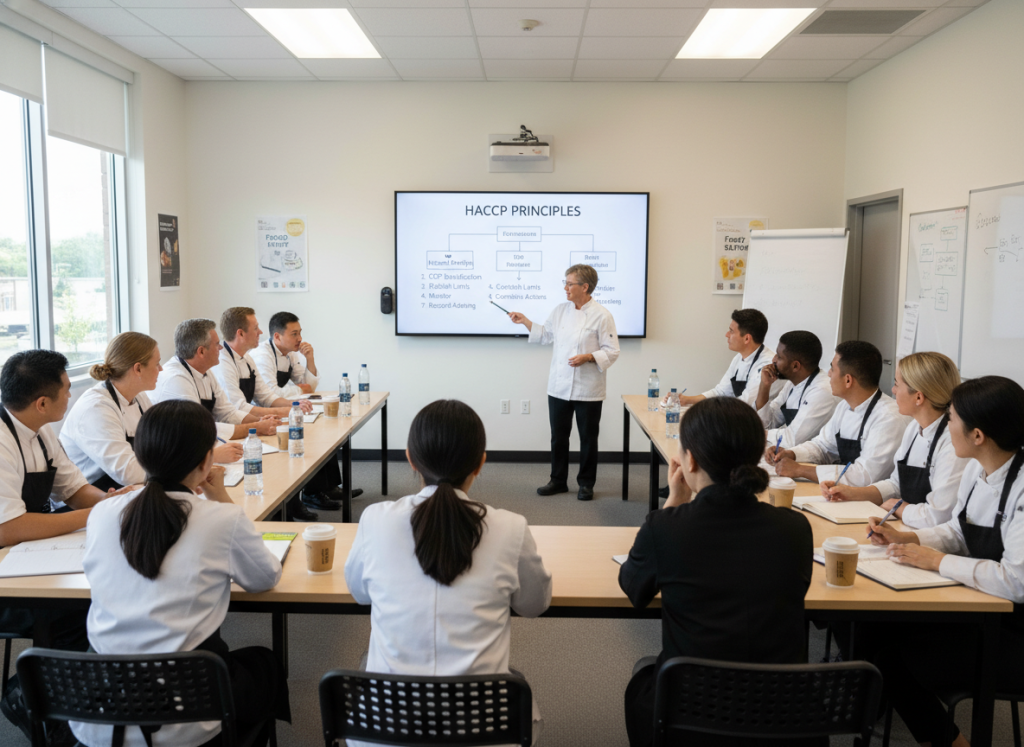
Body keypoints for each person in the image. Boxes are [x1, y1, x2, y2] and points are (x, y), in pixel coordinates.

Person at [71, 400, 290, 747]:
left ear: (141, 456)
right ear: (207, 460)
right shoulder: (220, 519)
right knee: (265, 666)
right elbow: (265, 578)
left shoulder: (103, 514)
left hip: (100, 715)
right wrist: (219, 496)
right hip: (187, 713)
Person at [345, 399, 551, 746]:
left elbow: (358, 593)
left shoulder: (376, 520)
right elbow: (535, 604)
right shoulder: (510, 528)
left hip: (383, 734)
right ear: (481, 463)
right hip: (484, 735)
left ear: (410, 458)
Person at [618, 397, 815, 747]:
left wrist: (673, 502)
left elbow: (634, 589)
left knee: (641, 682)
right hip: (785, 714)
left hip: (692, 710)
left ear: (689, 459)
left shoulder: (666, 528)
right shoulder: (795, 527)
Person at [866, 376, 1024, 747]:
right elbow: (957, 530)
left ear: (978, 435)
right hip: (979, 605)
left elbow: (1016, 582)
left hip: (1013, 630)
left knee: (892, 658)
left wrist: (936, 562)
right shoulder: (976, 466)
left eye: (951, 419)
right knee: (875, 629)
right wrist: (907, 538)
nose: (946, 426)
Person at [0, 350, 134, 742]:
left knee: (105, 594)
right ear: (43, 402)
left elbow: (74, 489)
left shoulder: (41, 430)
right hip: (9, 581)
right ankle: (34, 701)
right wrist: (97, 515)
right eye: (67, 390)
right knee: (77, 610)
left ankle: (79, 702)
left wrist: (113, 501)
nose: (71, 398)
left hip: (32, 554)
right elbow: (7, 528)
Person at [508, 264, 620, 500]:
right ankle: (557, 480)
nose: (566, 288)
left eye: (570, 284)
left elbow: (612, 351)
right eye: (565, 283)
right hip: (558, 388)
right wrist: (526, 321)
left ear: (585, 287)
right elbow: (546, 335)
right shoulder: (560, 310)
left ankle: (586, 483)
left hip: (588, 389)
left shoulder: (602, 315)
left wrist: (589, 357)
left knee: (588, 439)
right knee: (559, 437)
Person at [820, 351, 968, 529]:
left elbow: (938, 516)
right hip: (907, 527)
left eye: (897, 384)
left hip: (932, 539)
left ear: (918, 397)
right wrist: (852, 493)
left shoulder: (952, 443)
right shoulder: (914, 427)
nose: (893, 390)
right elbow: (896, 484)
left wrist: (898, 507)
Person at [771, 340, 909, 487]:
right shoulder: (844, 406)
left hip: (871, 503)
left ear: (848, 380)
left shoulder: (888, 418)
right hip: (843, 492)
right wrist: (792, 454)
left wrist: (801, 470)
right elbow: (823, 446)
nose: (829, 374)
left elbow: (864, 476)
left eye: (833, 369)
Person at [60, 332, 170, 491]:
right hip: (88, 497)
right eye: (157, 363)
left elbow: (162, 438)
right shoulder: (96, 408)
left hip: (125, 485)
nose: (161, 369)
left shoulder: (139, 396)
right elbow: (128, 473)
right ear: (138, 368)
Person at [151, 318, 280, 445]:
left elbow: (227, 412)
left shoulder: (205, 371)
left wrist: (259, 421)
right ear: (201, 351)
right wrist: (256, 428)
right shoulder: (176, 379)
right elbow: (197, 428)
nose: (220, 348)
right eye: (216, 344)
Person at [672, 308, 782, 409]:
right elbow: (721, 392)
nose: (727, 335)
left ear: (747, 338)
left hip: (754, 424)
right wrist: (687, 400)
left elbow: (745, 404)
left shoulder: (767, 365)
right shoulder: (739, 357)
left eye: (731, 331)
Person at [755, 330, 837, 450]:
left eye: (779, 356)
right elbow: (767, 423)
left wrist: (757, 433)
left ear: (795, 366)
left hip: (819, 462)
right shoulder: (792, 384)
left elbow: (793, 439)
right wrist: (765, 385)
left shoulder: (821, 391)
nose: (773, 360)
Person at [249, 311, 320, 401]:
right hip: (259, 410)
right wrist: (300, 389)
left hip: (277, 406)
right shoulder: (263, 355)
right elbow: (270, 393)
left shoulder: (291, 353)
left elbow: (310, 387)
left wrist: (310, 358)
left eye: (299, 333)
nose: (300, 338)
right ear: (277, 337)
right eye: (294, 334)